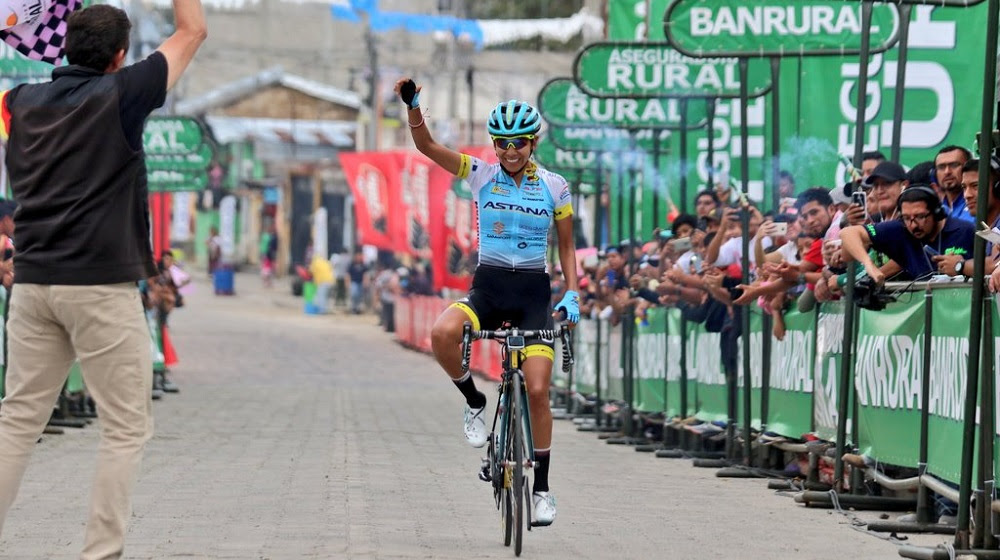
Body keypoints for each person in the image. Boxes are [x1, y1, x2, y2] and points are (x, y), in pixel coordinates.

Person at [0, 2, 206, 558]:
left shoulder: (16, 104)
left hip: (33, 284)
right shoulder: (123, 93)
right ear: (120, 55)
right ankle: (99, 553)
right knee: (125, 427)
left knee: (17, 422)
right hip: (99, 289)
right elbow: (194, 30)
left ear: (64, 48)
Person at [395, 77, 579, 527]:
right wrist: (414, 107)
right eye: (501, 143)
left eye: (517, 143)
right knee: (442, 332)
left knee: (537, 390)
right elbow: (427, 147)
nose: (509, 151)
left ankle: (543, 491)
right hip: (489, 290)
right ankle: (475, 400)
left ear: (533, 142)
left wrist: (573, 292)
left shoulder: (556, 187)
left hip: (534, 294)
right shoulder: (479, 173)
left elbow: (568, 247)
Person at [840, 185, 975, 283]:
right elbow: (848, 233)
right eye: (906, 217)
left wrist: (962, 266)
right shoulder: (901, 228)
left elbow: (991, 265)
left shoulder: (965, 231)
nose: (913, 225)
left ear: (937, 212)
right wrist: (868, 264)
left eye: (920, 216)